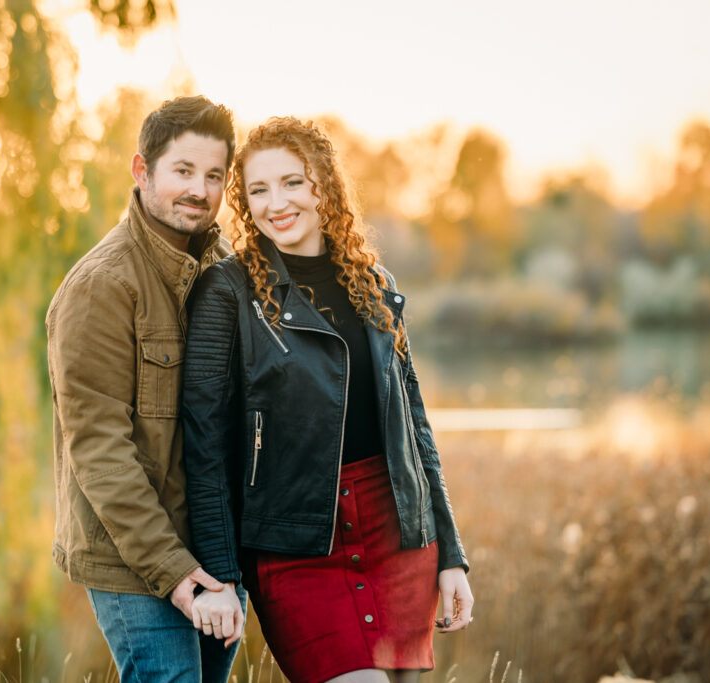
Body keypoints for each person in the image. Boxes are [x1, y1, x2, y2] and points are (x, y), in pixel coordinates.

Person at [181, 117, 473, 683]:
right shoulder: (230, 292)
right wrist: (222, 573)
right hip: (296, 544)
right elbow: (205, 446)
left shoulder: (377, 283)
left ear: (325, 186)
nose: (276, 203)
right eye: (258, 190)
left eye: (293, 182)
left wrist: (452, 554)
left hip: (398, 534)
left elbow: (414, 428)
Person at [46, 95, 246, 682]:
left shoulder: (224, 271)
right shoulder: (102, 287)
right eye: (183, 171)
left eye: (214, 176)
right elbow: (100, 452)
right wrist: (180, 577)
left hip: (214, 547)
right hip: (133, 560)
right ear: (142, 171)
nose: (199, 190)